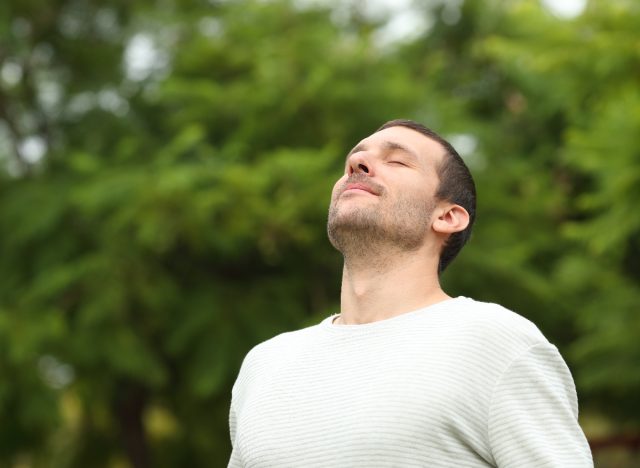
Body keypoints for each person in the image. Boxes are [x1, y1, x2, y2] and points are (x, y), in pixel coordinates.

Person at [227, 119, 593, 467]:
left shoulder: (497, 343)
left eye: (397, 160)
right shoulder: (265, 364)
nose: (358, 163)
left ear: (448, 217)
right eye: (355, 158)